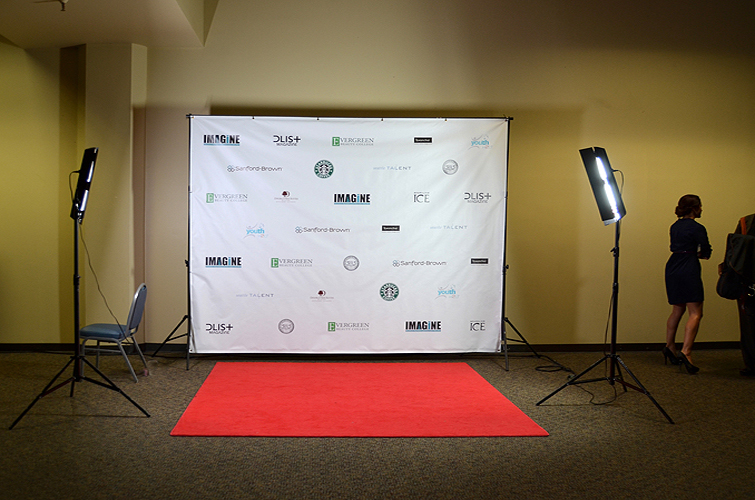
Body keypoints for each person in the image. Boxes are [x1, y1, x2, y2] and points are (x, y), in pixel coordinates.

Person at [663, 194, 712, 374]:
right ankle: (686, 351)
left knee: (677, 309)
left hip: (672, 266)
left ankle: (669, 346)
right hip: (689, 267)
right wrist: (701, 254)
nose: (701, 209)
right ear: (694, 208)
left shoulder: (674, 226)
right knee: (696, 312)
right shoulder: (698, 228)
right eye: (700, 206)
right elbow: (705, 251)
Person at [721, 214, 755, 376]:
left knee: (749, 325)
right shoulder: (745, 222)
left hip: (748, 283)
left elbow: (734, 254)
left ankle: (752, 364)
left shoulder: (746, 222)